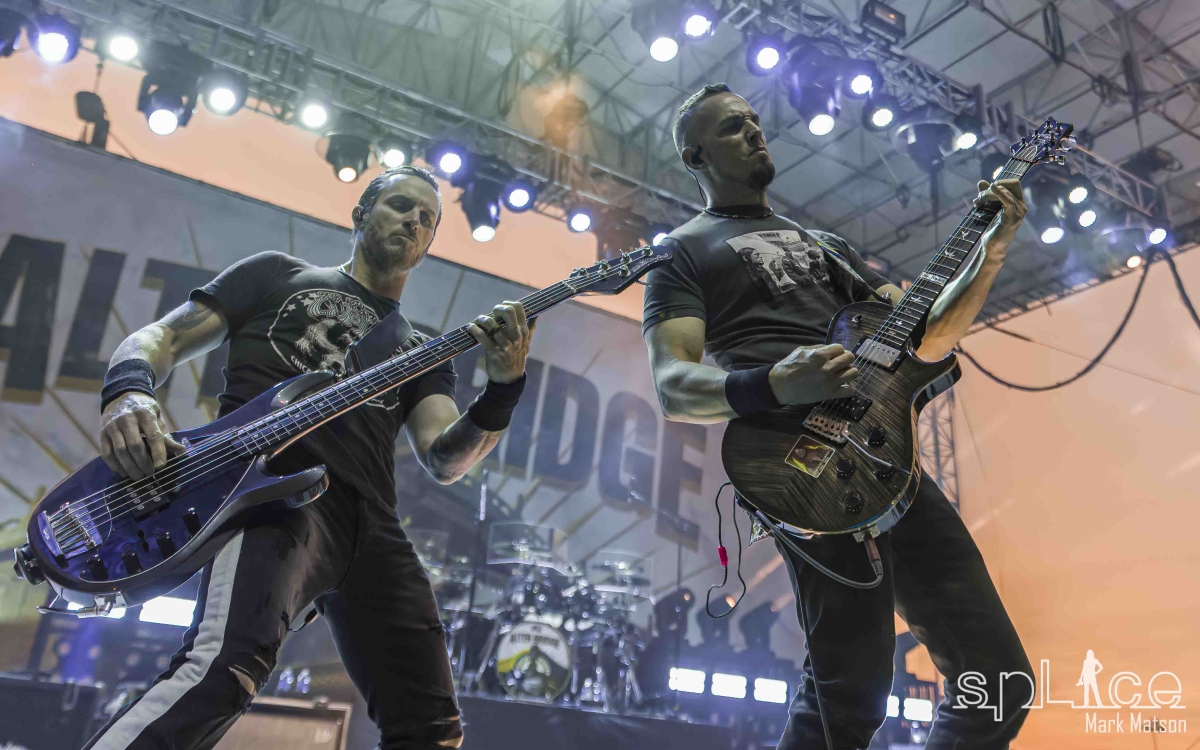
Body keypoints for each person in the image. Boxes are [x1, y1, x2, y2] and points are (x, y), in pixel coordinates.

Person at [641, 83, 1034, 749]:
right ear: (694, 156)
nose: (754, 130)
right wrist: (776, 383)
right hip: (800, 463)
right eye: (732, 126)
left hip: (889, 458)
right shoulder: (681, 251)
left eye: (754, 120)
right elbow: (675, 386)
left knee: (999, 684)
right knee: (849, 696)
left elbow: (928, 336)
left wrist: (991, 252)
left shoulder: (825, 244)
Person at [87, 165, 535, 750]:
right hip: (271, 491)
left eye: (428, 219)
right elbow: (162, 338)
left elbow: (445, 459)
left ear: (428, 246)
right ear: (360, 214)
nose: (414, 221)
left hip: (372, 525)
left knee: (432, 729)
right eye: (401, 205)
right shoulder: (278, 275)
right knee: (224, 670)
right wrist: (128, 391)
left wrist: (504, 388)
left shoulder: (421, 351)